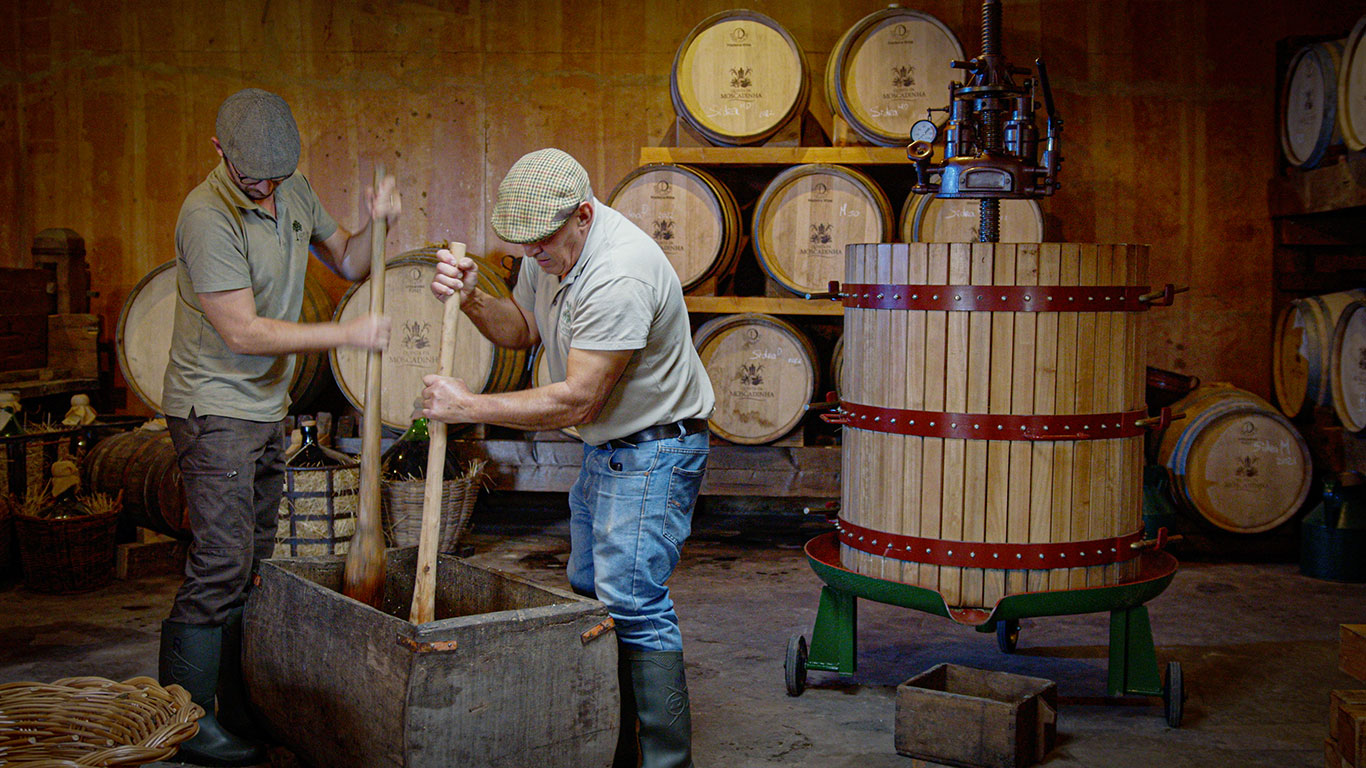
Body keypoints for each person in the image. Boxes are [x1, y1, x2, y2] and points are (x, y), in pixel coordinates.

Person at [423, 148, 714, 768]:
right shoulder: (554, 250)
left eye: (543, 245)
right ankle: (616, 740)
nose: (535, 256)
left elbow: (580, 399)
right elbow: (522, 328)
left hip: (652, 450)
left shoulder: (619, 273)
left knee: (634, 601)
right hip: (609, 451)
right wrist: (476, 298)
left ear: (584, 214)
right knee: (592, 590)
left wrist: (467, 406)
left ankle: (665, 761)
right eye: (525, 247)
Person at [158, 87, 398, 767]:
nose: (264, 187)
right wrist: (344, 332)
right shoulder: (207, 216)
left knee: (252, 562)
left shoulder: (292, 192)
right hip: (216, 407)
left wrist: (377, 225)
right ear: (219, 153)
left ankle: (232, 705)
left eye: (276, 174)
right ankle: (182, 722)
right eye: (251, 175)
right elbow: (241, 332)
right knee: (221, 562)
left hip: (265, 408)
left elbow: (349, 260)